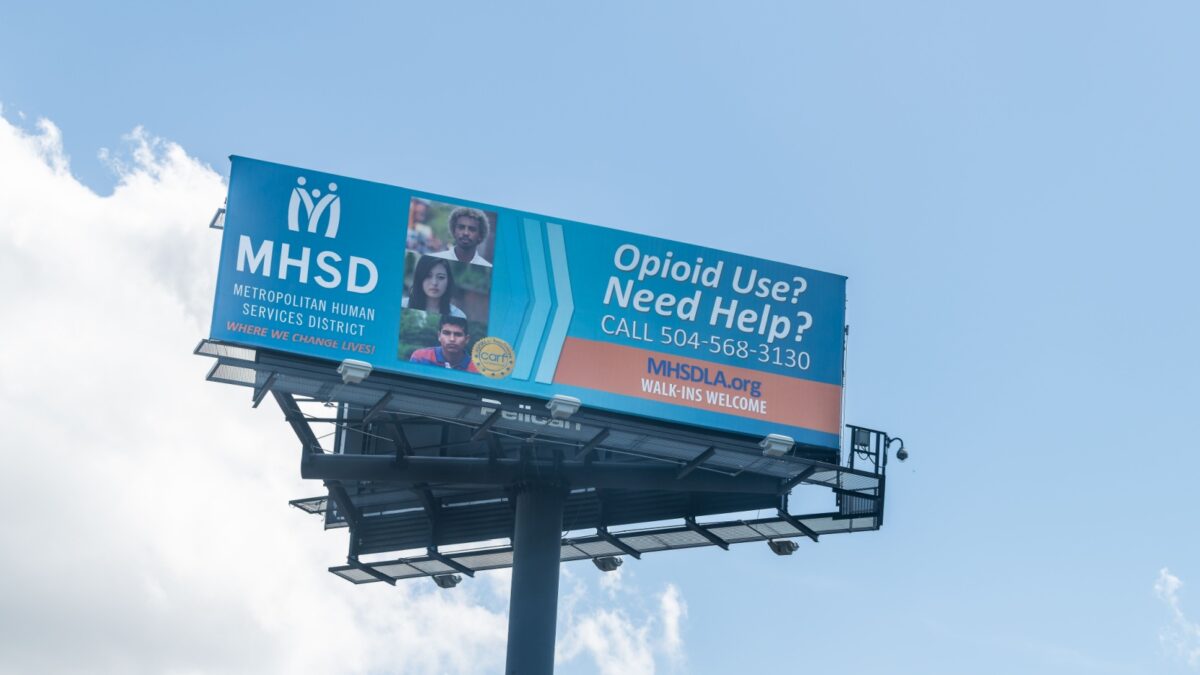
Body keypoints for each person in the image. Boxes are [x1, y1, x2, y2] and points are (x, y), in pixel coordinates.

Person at [402, 255, 466, 318]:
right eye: (428, 276)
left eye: (441, 277)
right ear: (419, 278)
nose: (434, 283)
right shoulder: (403, 305)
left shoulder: (458, 315)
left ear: (449, 281)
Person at [409, 316, 478, 372]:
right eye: (446, 333)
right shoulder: (420, 357)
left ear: (466, 339)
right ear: (439, 336)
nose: (452, 339)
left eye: (458, 334)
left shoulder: (478, 368)